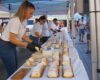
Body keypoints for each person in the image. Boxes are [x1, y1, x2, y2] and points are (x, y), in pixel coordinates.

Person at [0, 1, 40, 78]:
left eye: (32, 13)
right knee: (12, 71)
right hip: (5, 46)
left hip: (11, 46)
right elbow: (12, 39)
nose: (32, 16)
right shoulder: (16, 20)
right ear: (24, 11)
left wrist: (34, 43)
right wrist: (27, 45)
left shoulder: (24, 21)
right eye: (30, 13)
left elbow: (24, 36)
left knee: (14, 69)